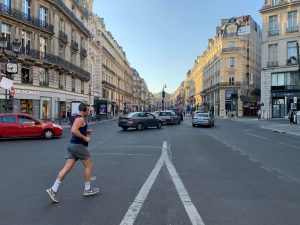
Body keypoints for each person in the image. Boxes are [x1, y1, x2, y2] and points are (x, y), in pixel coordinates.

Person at [46, 103, 99, 203]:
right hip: (78, 146)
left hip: (72, 146)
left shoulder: (78, 118)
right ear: (84, 110)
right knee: (89, 165)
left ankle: (53, 189)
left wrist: (86, 132)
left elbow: (77, 130)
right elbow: (74, 130)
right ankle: (87, 189)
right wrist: (85, 138)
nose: (89, 111)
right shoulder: (80, 119)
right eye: (88, 110)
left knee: (66, 168)